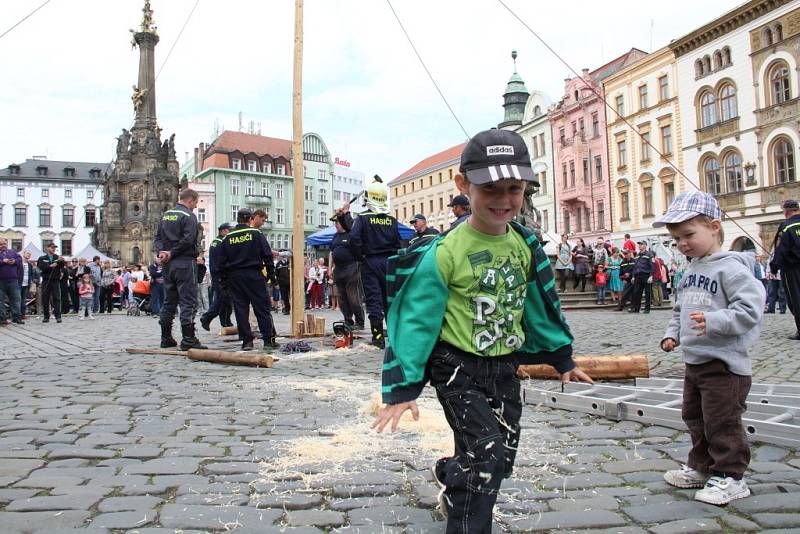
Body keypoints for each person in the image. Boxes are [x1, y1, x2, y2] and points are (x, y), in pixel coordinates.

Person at [372, 129, 592, 532]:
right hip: (456, 367)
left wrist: (562, 357)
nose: (505, 200)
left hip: (504, 365)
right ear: (463, 185)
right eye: (490, 188)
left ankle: (453, 474)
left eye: (515, 188)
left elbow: (537, 306)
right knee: (487, 457)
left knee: (501, 456)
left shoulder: (525, 245)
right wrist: (401, 389)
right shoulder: (444, 251)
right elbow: (415, 319)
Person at [657, 190, 764, 505]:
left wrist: (716, 321)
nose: (682, 244)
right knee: (695, 416)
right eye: (676, 239)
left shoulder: (731, 268)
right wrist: (672, 334)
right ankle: (702, 467)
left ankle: (730, 476)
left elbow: (751, 309)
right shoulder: (691, 271)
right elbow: (680, 311)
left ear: (714, 227)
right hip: (696, 362)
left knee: (723, 420)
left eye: (689, 235)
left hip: (724, 364)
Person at [350, 175, 402, 348]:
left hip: (370, 262)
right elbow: (398, 243)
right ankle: (394, 337)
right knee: (390, 301)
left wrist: (360, 256)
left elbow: (353, 238)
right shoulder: (392, 220)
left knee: (373, 300)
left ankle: (378, 338)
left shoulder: (363, 217)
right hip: (389, 263)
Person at [217, 208, 278, 351]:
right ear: (250, 219)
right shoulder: (256, 233)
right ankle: (268, 340)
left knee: (241, 309)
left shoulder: (228, 237)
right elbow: (267, 255)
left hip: (235, 277)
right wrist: (271, 275)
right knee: (261, 308)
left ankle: (246, 341)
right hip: (254, 274)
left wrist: (224, 282)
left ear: (237, 219)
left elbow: (221, 263)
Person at [153, 187, 206, 350]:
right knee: (188, 300)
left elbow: (158, 238)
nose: (195, 206)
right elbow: (188, 240)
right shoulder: (189, 216)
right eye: (195, 203)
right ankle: (188, 339)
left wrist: (162, 252)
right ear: (190, 200)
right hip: (184, 262)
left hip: (168, 264)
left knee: (169, 300)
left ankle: (166, 337)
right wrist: (172, 252)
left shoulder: (165, 215)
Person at [770, 199, 800, 340]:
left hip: (792, 269)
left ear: (786, 211)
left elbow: (781, 249)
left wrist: (774, 266)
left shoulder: (786, 226)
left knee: (795, 299)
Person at [330, 210, 365, 330]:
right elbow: (332, 253)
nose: (336, 225)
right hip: (338, 269)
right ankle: (348, 320)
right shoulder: (335, 236)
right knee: (342, 298)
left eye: (338, 223)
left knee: (353, 297)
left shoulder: (351, 234)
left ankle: (360, 322)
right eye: (335, 224)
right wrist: (330, 268)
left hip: (351, 268)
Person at [200, 223, 234, 331]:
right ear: (223, 231)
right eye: (229, 230)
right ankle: (207, 317)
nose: (231, 232)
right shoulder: (221, 242)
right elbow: (223, 260)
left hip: (218, 274)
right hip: (221, 274)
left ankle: (226, 322)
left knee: (225, 300)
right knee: (221, 299)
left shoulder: (216, 242)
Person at [37, 242, 64, 323]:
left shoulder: (57, 257)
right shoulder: (42, 258)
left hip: (55, 279)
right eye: (52, 247)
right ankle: (46, 316)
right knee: (45, 298)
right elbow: (40, 268)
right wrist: (50, 266)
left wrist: (61, 261)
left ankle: (58, 316)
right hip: (46, 280)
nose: (53, 249)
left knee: (57, 298)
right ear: (48, 248)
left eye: (54, 248)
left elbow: (61, 266)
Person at [0, 238, 23, 325]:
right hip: (1, 281)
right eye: (1, 244)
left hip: (13, 280)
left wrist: (14, 261)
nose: (3, 246)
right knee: (0, 300)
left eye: (4, 244)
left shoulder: (12, 252)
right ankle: (2, 318)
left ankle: (16, 317)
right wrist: (3, 261)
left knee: (16, 299)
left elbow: (20, 259)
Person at [629, 241, 654, 314]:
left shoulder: (649, 254)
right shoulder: (637, 255)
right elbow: (635, 267)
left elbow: (652, 266)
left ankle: (647, 309)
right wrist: (633, 276)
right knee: (637, 293)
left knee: (647, 293)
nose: (639, 246)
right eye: (639, 245)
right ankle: (636, 308)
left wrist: (651, 276)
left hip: (646, 275)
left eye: (641, 244)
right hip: (638, 276)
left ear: (645, 246)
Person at [19, 250, 37, 319]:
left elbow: (31, 274)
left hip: (26, 284)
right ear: (23, 254)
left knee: (23, 300)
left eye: (30, 254)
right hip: (19, 284)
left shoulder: (30, 265)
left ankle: (23, 315)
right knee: (18, 299)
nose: (28, 255)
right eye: (27, 253)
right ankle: (17, 315)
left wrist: (32, 281)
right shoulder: (20, 263)